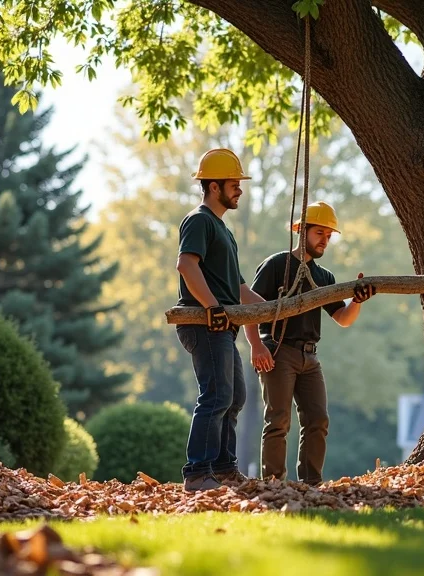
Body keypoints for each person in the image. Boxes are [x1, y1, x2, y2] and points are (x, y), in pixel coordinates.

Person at [245, 201, 376, 485]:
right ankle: (274, 484)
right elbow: (249, 308)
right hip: (278, 350)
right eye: (319, 233)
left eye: (328, 236)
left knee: (318, 420)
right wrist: (256, 345)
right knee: (278, 421)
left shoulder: (324, 276)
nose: (325, 241)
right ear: (301, 231)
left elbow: (342, 318)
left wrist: (356, 300)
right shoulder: (276, 265)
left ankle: (311, 483)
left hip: (310, 357)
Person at [174, 148, 268, 492]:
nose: (240, 189)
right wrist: (213, 307)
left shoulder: (223, 231)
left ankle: (225, 469)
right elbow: (186, 265)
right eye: (234, 184)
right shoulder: (199, 220)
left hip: (223, 328)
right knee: (215, 397)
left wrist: (279, 308)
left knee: (235, 398)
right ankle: (198, 472)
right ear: (214, 187)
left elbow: (241, 289)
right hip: (204, 324)